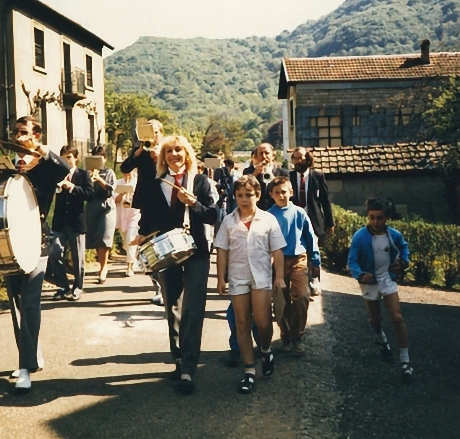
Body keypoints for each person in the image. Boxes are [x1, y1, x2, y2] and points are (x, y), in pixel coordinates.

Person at [0, 116, 70, 392]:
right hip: (9, 242)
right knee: (17, 303)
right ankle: (32, 354)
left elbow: (64, 167)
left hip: (37, 241)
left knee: (31, 302)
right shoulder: (6, 168)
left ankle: (25, 367)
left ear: (36, 135)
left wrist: (40, 149)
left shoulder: (46, 168)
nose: (17, 137)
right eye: (15, 132)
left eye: (23, 133)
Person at [133, 135, 217, 394]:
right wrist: (141, 235)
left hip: (197, 251)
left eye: (178, 150)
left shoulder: (202, 182)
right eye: (169, 151)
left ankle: (189, 369)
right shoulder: (153, 183)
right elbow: (147, 217)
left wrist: (194, 204)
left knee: (193, 309)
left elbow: (216, 216)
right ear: (163, 157)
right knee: (173, 309)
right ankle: (179, 359)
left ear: (187, 154)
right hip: (165, 253)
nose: (174, 154)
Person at [215, 175, 286, 394]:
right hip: (238, 277)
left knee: (263, 322)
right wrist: (220, 277)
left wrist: (279, 276)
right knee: (242, 324)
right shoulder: (229, 221)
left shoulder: (268, 220)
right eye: (240, 196)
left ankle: (265, 349)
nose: (244, 200)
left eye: (249, 195)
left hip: (261, 277)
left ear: (258, 195)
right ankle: (249, 372)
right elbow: (222, 250)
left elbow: (277, 250)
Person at [347, 197, 413, 380]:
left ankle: (405, 360)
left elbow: (404, 248)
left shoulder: (394, 235)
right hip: (369, 282)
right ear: (368, 217)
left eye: (380, 218)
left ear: (387, 218)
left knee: (397, 317)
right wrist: (360, 274)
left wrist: (403, 263)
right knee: (376, 319)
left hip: (387, 278)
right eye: (372, 218)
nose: (376, 222)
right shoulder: (360, 236)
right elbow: (351, 261)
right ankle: (382, 340)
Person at [267, 176, 320, 357]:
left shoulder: (299, 213)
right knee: (281, 302)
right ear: (271, 195)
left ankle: (297, 335)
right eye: (277, 192)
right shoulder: (268, 215)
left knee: (301, 297)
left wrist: (316, 260)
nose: (281, 195)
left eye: (284, 192)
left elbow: (310, 237)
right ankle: (285, 336)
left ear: (291, 192)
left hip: (298, 258)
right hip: (277, 261)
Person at [121, 118, 164, 305]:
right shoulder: (140, 151)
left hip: (165, 200)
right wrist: (138, 152)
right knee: (148, 244)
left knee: (164, 243)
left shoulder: (168, 149)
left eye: (154, 132)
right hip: (147, 202)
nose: (151, 136)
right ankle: (158, 288)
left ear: (160, 133)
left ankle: (167, 287)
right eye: (148, 132)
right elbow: (124, 168)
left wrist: (159, 158)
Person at [50, 145, 94, 302]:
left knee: (78, 258)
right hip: (60, 222)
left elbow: (90, 195)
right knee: (54, 252)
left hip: (76, 222)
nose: (66, 160)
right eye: (63, 157)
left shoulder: (83, 174)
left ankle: (78, 287)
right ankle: (63, 286)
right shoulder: (57, 174)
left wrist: (73, 188)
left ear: (76, 158)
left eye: (69, 157)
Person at [289, 147, 334, 297]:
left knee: (313, 253)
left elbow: (325, 201)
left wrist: (330, 222)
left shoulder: (317, 176)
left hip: (313, 221)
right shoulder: (289, 177)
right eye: (294, 158)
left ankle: (314, 281)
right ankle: (299, 283)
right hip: (294, 222)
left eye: (300, 158)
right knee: (298, 253)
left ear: (308, 159)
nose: (297, 161)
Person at [85, 145, 117, 283]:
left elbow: (110, 190)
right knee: (93, 237)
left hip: (106, 207)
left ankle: (103, 269)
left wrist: (99, 179)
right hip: (92, 206)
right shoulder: (87, 173)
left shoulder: (109, 172)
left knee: (104, 238)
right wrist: (89, 178)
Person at [243, 143, 289, 211]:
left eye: (267, 153)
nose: (264, 156)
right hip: (257, 210)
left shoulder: (283, 173)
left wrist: (272, 178)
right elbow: (243, 188)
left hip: (277, 210)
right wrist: (254, 174)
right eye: (261, 153)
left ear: (273, 156)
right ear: (256, 156)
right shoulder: (248, 172)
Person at [115, 170, 141, 277]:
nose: (127, 175)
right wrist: (122, 194)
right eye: (125, 173)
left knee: (130, 238)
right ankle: (134, 257)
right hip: (122, 214)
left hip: (135, 214)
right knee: (126, 241)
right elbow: (115, 200)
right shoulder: (118, 183)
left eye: (129, 173)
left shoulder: (138, 182)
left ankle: (129, 267)